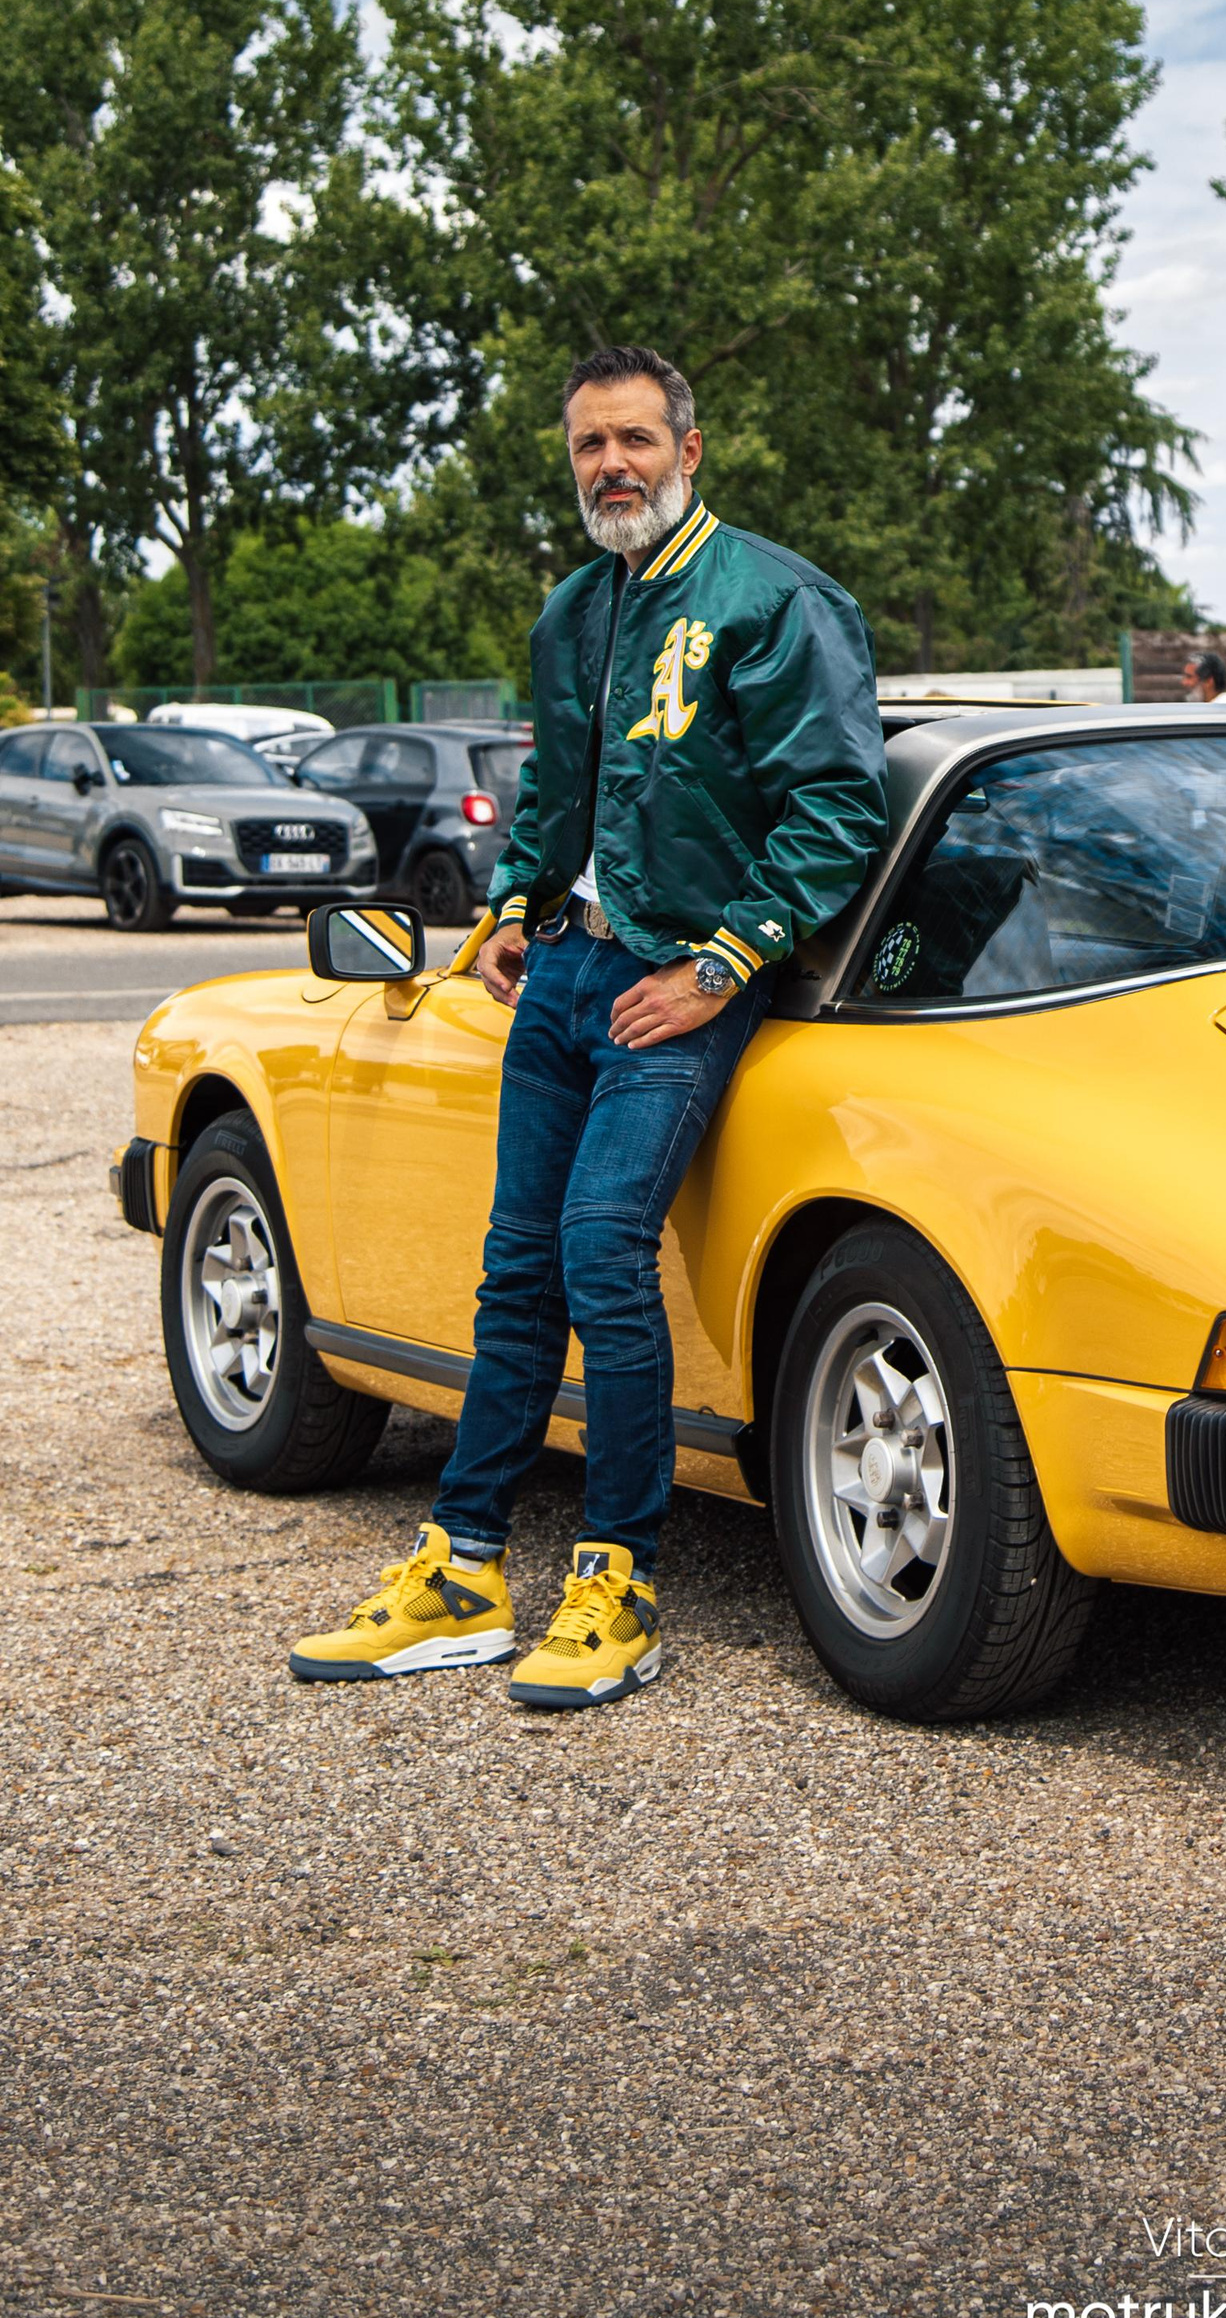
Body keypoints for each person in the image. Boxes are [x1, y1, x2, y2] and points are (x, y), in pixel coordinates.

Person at [290, 345, 888, 1709]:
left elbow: (838, 811)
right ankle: (464, 1570)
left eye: (633, 440)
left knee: (601, 1255)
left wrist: (722, 966)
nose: (610, 466)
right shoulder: (575, 607)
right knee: (515, 1271)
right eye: (587, 449)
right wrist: (510, 901)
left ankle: (616, 1580)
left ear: (690, 448)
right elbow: (557, 790)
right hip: (561, 978)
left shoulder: (777, 599)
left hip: (676, 989)